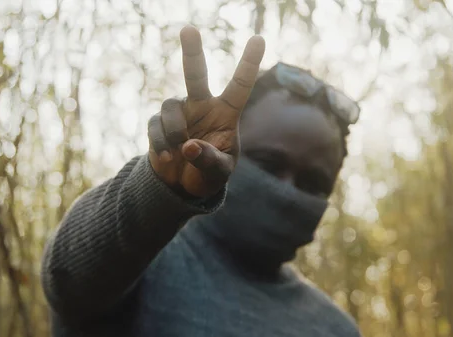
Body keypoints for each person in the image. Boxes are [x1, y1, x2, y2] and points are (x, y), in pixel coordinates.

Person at [41, 25, 362, 337]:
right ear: (224, 150)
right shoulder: (139, 264)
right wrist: (159, 188)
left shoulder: (334, 329)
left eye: (312, 183)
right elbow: (67, 276)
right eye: (268, 164)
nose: (287, 191)